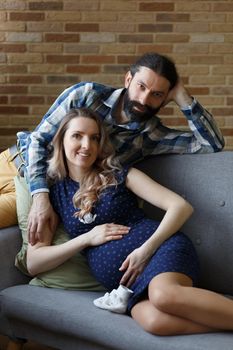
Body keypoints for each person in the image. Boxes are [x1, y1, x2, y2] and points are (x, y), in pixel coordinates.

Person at [26, 108, 233, 336]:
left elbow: (180, 207)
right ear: (61, 140)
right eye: (77, 136)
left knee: (163, 296)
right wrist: (87, 238)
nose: (87, 145)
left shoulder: (119, 174)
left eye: (94, 138)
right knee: (155, 322)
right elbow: (34, 263)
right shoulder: (53, 195)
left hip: (160, 250)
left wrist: (145, 251)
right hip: (126, 286)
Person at [0, 52, 224, 235]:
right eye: (141, 87)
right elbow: (39, 139)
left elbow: (212, 143)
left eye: (157, 94)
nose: (144, 100)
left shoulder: (151, 135)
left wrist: (183, 96)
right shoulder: (86, 95)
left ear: (166, 98)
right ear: (128, 79)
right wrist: (40, 198)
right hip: (14, 161)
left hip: (34, 188)